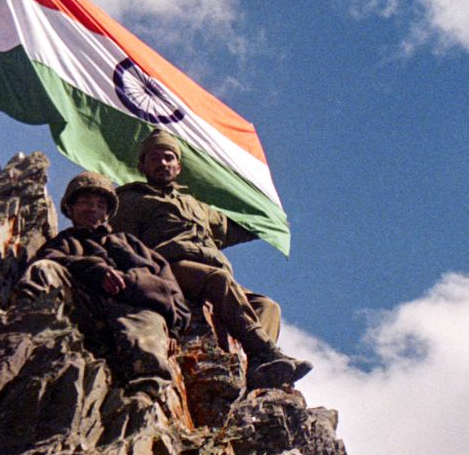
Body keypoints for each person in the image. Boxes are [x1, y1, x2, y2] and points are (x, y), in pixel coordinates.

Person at [111, 129, 312, 390]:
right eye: (155, 158)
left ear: (179, 166)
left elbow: (230, 230)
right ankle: (266, 351)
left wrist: (269, 219)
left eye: (169, 158)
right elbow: (119, 240)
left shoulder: (196, 205)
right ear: (142, 165)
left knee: (267, 306)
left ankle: (258, 369)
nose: (163, 163)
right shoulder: (131, 200)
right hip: (168, 270)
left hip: (207, 271)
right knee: (218, 280)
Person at [17, 172, 191, 389]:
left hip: (135, 309)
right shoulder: (65, 242)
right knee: (43, 269)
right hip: (89, 307)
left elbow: (169, 285)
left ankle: (142, 404)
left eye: (100, 205)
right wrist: (94, 270)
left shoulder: (131, 243)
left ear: (107, 213)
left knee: (147, 357)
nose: (93, 209)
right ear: (70, 209)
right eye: (85, 202)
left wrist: (174, 330)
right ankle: (23, 326)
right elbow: (49, 259)